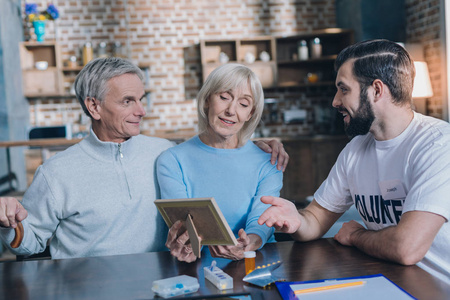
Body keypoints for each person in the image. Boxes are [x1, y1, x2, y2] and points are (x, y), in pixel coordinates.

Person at [0, 57, 288, 259]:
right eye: (128, 101)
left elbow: (215, 151)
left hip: (160, 280)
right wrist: (9, 222)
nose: (142, 111)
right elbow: (31, 242)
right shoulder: (56, 172)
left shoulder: (163, 151)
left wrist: (258, 145)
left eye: (142, 99)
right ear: (94, 106)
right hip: (85, 286)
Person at [258, 40, 450, 283]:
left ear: (377, 90)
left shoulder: (438, 145)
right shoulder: (355, 150)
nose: (335, 101)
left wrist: (356, 235)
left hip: (438, 288)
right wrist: (296, 219)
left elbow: (407, 248)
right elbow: (315, 219)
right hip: (387, 281)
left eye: (344, 89)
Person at [157, 63, 283, 262]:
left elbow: (262, 218)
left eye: (243, 104)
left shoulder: (268, 161)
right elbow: (183, 224)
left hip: (254, 261)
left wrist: (249, 242)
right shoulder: (172, 160)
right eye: (224, 97)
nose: (231, 110)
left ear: (250, 114)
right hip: (196, 266)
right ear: (207, 99)